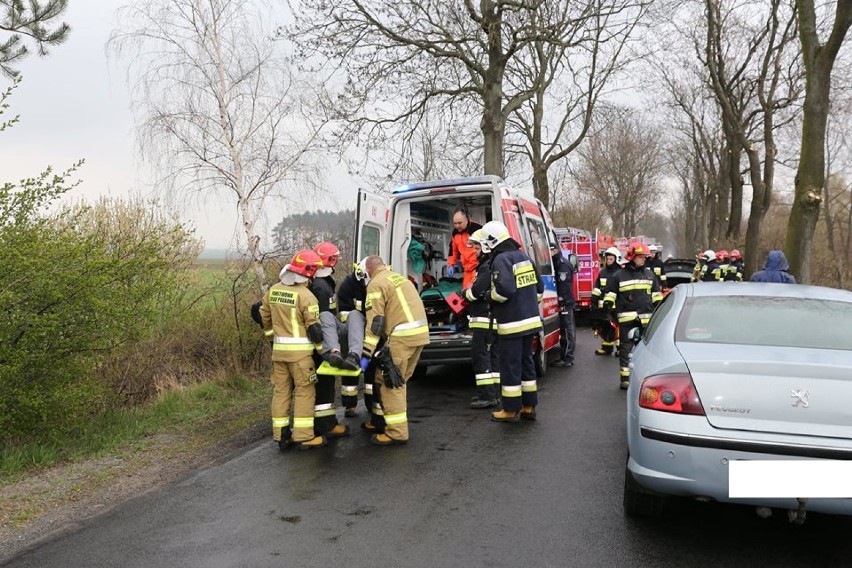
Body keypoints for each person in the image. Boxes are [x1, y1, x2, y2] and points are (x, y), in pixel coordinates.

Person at [259, 250, 328, 451]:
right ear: (309, 271)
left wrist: (272, 337)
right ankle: (304, 436)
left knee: (281, 392)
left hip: (279, 354)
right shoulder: (307, 296)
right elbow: (314, 329)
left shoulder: (273, 290)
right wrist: (323, 350)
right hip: (300, 357)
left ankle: (281, 435)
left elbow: (264, 315)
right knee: (305, 392)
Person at [360, 256, 430, 445]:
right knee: (399, 379)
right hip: (420, 335)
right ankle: (381, 421)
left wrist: (366, 352)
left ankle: (397, 432)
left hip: (402, 338)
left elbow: (375, 323)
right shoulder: (399, 278)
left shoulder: (375, 285)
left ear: (368, 271)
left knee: (390, 383)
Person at [480, 221, 543, 422]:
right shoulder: (524, 257)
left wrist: (489, 295)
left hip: (512, 323)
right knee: (527, 363)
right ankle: (528, 406)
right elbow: (539, 288)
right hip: (531, 321)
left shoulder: (501, 260)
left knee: (510, 365)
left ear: (492, 241)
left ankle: (510, 409)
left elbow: (505, 290)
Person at [603, 241, 662, 390]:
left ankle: (645, 377)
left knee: (647, 350)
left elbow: (656, 297)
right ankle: (625, 378)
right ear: (632, 256)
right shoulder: (619, 275)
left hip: (646, 319)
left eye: (645, 257)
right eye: (641, 256)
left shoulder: (650, 275)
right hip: (627, 319)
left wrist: (660, 314)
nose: (644, 259)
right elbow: (610, 295)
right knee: (625, 349)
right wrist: (608, 311)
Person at [464, 228, 500, 409]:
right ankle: (495, 393)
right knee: (493, 358)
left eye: (477, 248)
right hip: (490, 320)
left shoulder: (486, 268)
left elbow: (476, 292)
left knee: (481, 357)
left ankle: (487, 396)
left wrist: (465, 293)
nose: (474, 252)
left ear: (486, 248)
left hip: (484, 321)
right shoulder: (489, 266)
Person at [336, 258, 370, 417]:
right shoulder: (347, 286)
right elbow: (344, 315)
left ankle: (372, 405)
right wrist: (356, 329)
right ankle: (349, 405)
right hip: (352, 332)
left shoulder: (374, 283)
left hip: (371, 332)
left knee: (371, 370)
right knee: (350, 368)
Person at [590, 247, 621, 356]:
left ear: (617, 259)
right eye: (607, 259)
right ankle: (606, 348)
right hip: (604, 305)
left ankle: (620, 349)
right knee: (605, 327)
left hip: (617, 306)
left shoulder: (621, 273)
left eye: (611, 259)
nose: (608, 261)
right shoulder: (602, 272)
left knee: (617, 327)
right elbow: (597, 287)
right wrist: (593, 300)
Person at [550, 241, 576, 368]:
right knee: (565, 330)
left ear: (554, 250)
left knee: (566, 330)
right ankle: (566, 356)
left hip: (565, 302)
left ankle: (567, 357)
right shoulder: (559, 262)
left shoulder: (562, 265)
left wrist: (561, 301)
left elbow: (564, 286)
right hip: (565, 301)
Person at [447, 207, 483, 288]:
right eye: (455, 223)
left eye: (459, 223)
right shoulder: (455, 233)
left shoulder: (476, 230)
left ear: (466, 220)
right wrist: (451, 264)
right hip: (467, 270)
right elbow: (453, 250)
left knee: (475, 292)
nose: (457, 226)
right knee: (466, 294)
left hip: (478, 268)